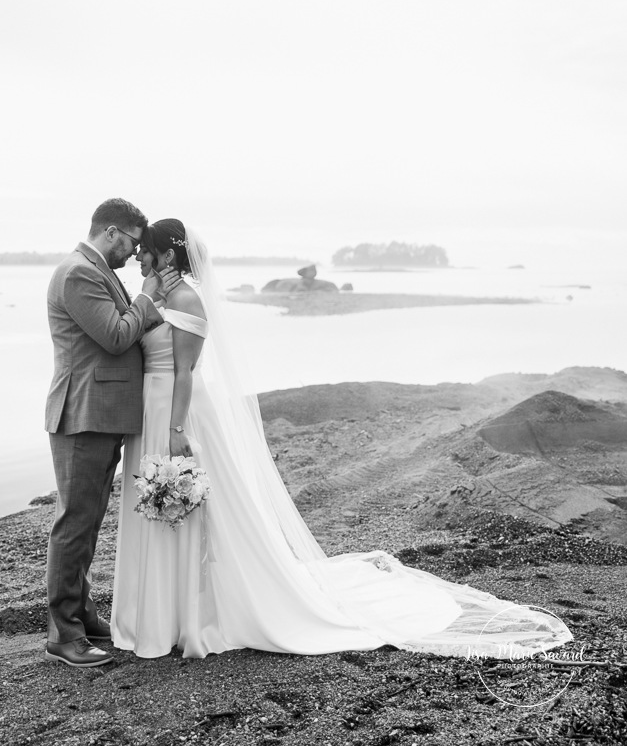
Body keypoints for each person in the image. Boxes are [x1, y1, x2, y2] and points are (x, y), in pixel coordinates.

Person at [112, 220, 572, 660]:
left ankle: (192, 616)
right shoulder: (153, 294)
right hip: (150, 410)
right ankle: (158, 612)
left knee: (191, 510)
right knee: (158, 507)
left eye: (145, 250)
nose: (138, 256)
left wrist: (175, 432)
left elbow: (186, 372)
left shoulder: (189, 301)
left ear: (167, 253)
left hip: (179, 413)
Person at [44, 198, 179, 668]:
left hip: (101, 416)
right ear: (114, 233)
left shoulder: (96, 270)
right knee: (74, 524)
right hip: (83, 416)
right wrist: (146, 297)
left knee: (88, 522)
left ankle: (80, 613)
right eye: (134, 242)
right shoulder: (79, 273)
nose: (136, 252)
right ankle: (64, 634)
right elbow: (117, 336)